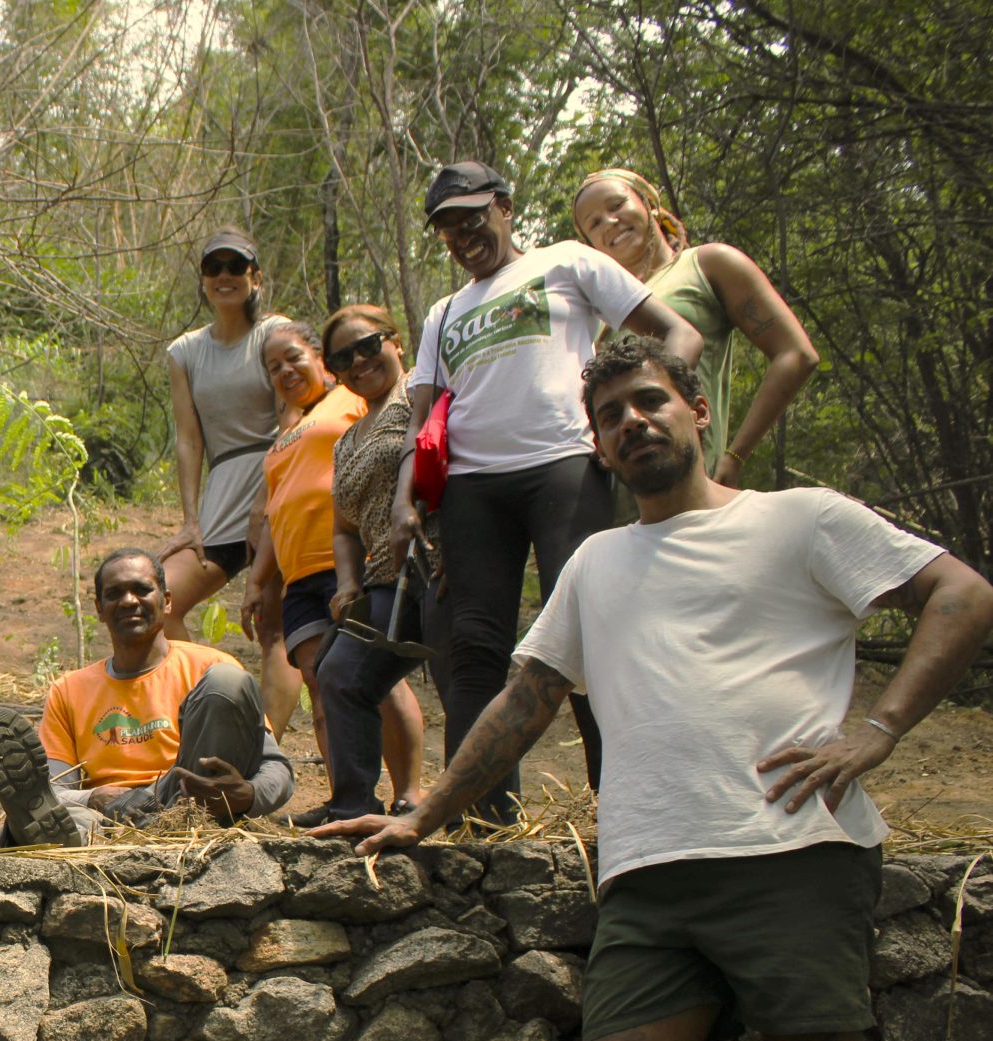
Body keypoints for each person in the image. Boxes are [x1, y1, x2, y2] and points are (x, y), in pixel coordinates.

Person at [322, 338, 993, 1041]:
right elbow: (527, 698)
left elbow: (963, 592)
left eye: (651, 402)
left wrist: (877, 729)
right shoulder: (593, 567)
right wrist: (424, 814)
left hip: (793, 852)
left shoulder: (800, 521)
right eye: (611, 414)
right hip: (645, 872)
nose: (633, 422)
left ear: (696, 407)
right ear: (595, 444)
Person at [389, 160, 704, 822]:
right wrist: (402, 499)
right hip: (473, 486)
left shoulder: (566, 262)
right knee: (473, 647)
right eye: (447, 226)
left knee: (591, 632)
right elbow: (418, 421)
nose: (461, 233)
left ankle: (624, 809)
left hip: (564, 464)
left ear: (503, 206)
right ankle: (482, 820)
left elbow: (678, 332)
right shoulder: (445, 313)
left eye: (471, 216)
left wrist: (634, 419)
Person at [0, 549, 294, 846]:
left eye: (141, 590)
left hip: (188, 804)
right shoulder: (69, 689)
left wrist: (247, 795)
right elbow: (53, 790)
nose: (129, 601)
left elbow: (277, 770)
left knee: (228, 682)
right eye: (114, 594)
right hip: (108, 818)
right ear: (100, 609)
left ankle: (66, 835)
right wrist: (92, 798)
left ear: (167, 601)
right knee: (59, 816)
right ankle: (76, 836)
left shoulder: (210, 667)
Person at [242, 319, 423, 821]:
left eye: (294, 357)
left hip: (355, 560)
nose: (285, 370)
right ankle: (348, 797)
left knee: (379, 679)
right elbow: (279, 508)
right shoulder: (287, 432)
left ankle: (410, 790)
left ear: (321, 358)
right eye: (273, 367)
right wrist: (259, 581)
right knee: (324, 687)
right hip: (299, 575)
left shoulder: (351, 396)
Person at [572, 167, 816, 489]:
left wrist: (734, 457)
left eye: (616, 206)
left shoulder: (706, 265)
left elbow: (796, 354)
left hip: (696, 483)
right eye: (595, 223)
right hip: (615, 503)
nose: (610, 222)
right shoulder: (596, 314)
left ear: (647, 203)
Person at [158, 228, 307, 737]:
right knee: (162, 602)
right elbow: (188, 439)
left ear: (254, 277)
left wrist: (266, 499)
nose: (224, 276)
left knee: (274, 627)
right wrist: (190, 519)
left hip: (280, 477)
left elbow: (292, 413)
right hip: (223, 483)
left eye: (235, 267)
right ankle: (229, 693)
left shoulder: (274, 332)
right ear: (202, 281)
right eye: (213, 268)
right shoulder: (185, 352)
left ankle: (264, 747)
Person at [309, 304, 444, 823]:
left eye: (369, 345)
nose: (359, 362)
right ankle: (352, 804)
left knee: (462, 681)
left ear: (397, 342)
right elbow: (344, 526)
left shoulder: (420, 397)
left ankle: (487, 808)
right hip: (383, 579)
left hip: (434, 563)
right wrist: (346, 585)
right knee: (338, 671)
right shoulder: (347, 440)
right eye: (344, 357)